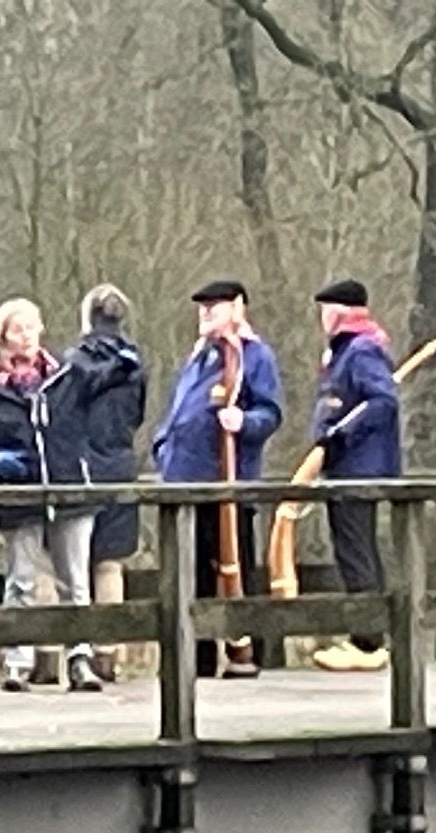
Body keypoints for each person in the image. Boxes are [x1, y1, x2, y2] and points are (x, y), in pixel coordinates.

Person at [0, 298, 104, 693]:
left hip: (69, 489)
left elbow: (106, 408)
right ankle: (16, 663)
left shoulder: (66, 379)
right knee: (20, 583)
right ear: (3, 339)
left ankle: (81, 661)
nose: (26, 337)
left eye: (31, 327)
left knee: (75, 582)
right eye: (17, 330)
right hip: (20, 497)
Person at [153, 280, 283, 679]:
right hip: (183, 482)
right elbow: (181, 411)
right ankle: (198, 658)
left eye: (215, 306)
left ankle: (249, 651)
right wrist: (162, 446)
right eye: (203, 307)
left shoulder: (253, 357)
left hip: (227, 483)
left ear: (237, 308)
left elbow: (271, 412)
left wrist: (244, 422)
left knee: (235, 568)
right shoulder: (200, 358)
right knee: (192, 576)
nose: (206, 313)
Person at [308, 279, 400, 672]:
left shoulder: (361, 350)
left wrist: (340, 434)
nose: (322, 319)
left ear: (342, 312)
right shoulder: (343, 351)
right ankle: (368, 633)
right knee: (354, 547)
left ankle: (367, 640)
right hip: (344, 466)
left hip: (358, 466)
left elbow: (382, 402)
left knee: (355, 549)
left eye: (326, 310)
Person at [64, 284, 147, 683]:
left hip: (81, 466)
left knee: (68, 562)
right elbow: (138, 414)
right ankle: (108, 653)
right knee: (109, 563)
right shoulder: (136, 365)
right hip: (119, 463)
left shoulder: (74, 361)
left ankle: (54, 654)